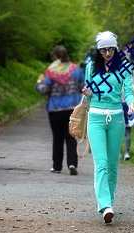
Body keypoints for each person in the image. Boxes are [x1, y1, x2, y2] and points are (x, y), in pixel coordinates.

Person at [82, 31, 134, 223]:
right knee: (101, 163)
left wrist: (130, 104)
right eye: (103, 50)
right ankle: (104, 205)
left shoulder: (124, 68)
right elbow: (88, 96)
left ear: (116, 48)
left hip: (117, 118)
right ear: (98, 50)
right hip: (95, 117)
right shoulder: (91, 67)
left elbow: (128, 90)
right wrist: (87, 92)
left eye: (110, 49)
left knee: (113, 164)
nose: (107, 53)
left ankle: (109, 201)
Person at [36, 45, 85, 175]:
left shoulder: (51, 71)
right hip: (72, 109)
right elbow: (84, 86)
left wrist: (39, 83)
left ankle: (57, 166)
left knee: (57, 138)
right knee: (71, 137)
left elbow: (44, 90)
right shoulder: (76, 70)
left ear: (55, 57)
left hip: (55, 109)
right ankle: (72, 163)